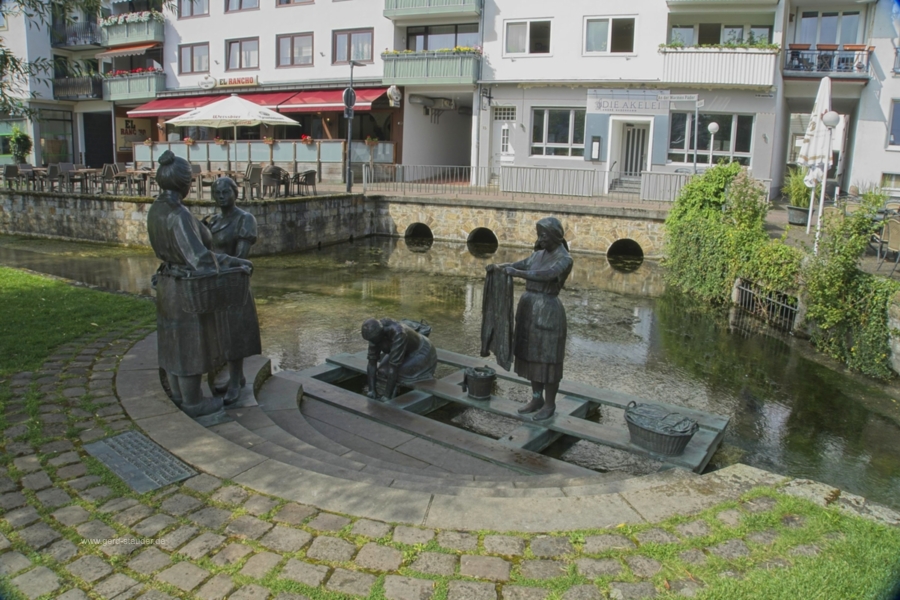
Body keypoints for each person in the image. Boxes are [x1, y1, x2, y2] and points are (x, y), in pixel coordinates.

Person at [147, 151, 252, 418]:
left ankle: (179, 395)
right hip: (186, 286)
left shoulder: (156, 208)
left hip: (167, 282)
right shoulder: (178, 213)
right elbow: (200, 259)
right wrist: (233, 262)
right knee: (188, 343)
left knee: (171, 342)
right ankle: (193, 402)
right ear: (185, 183)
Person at [486, 217, 573, 421]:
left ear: (555, 236)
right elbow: (518, 264)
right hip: (529, 309)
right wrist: (498, 267)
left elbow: (547, 274)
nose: (540, 239)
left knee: (548, 360)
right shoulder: (538, 254)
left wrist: (516, 273)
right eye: (538, 235)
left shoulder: (565, 259)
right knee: (532, 355)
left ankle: (550, 404)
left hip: (548, 311)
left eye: (543, 235)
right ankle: (536, 398)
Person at [203, 177, 262, 404]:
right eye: (217, 192)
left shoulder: (245, 219)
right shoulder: (214, 221)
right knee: (220, 333)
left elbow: (240, 258)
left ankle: (236, 381)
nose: (221, 196)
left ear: (235, 193)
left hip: (234, 284)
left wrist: (216, 263)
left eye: (225, 192)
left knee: (234, 333)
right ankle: (236, 377)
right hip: (215, 282)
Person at [361, 318, 437, 400]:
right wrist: (371, 390)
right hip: (403, 351)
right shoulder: (373, 334)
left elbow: (393, 368)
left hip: (419, 352)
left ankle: (392, 392)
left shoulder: (398, 333)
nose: (372, 343)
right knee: (382, 371)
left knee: (395, 374)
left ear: (380, 334)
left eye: (375, 340)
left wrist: (387, 396)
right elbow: (371, 363)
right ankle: (384, 389)